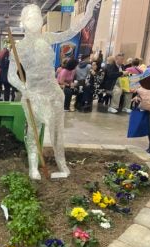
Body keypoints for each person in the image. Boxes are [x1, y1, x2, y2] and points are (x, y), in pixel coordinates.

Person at [8, 0, 100, 180]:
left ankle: (62, 166)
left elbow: (71, 31)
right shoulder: (18, 48)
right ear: (24, 21)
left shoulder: (47, 38)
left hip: (53, 91)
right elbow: (11, 75)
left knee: (57, 132)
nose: (35, 21)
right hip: (34, 94)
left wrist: (89, 11)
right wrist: (23, 88)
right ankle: (33, 167)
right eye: (31, 18)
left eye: (37, 17)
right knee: (34, 131)